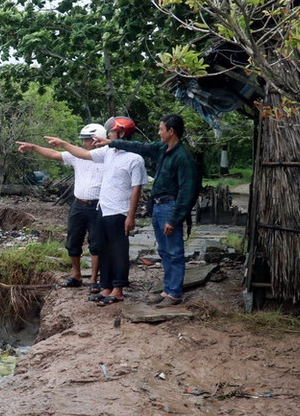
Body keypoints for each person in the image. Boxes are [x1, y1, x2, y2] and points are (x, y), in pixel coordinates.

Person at [91, 114, 197, 307]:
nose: (158, 132)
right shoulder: (163, 149)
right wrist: (111, 143)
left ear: (171, 131)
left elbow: (187, 192)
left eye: (161, 129)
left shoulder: (183, 158)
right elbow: (139, 146)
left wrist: (174, 219)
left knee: (174, 252)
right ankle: (167, 290)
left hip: (170, 207)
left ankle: (174, 293)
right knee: (164, 251)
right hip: (158, 206)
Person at [46, 117, 147, 305]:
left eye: (111, 132)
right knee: (104, 250)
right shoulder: (108, 153)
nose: (108, 134)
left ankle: (118, 290)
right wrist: (64, 144)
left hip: (120, 212)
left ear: (122, 134)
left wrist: (131, 216)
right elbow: (83, 154)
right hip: (103, 209)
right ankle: (106, 286)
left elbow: (136, 189)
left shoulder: (135, 159)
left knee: (118, 251)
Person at [16, 123, 106, 292]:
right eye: (84, 140)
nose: (84, 143)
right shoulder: (77, 156)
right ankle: (76, 275)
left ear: (97, 140)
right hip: (78, 204)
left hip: (97, 206)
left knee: (96, 243)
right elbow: (54, 154)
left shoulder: (105, 156)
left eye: (87, 140)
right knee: (73, 241)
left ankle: (94, 279)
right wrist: (34, 147)